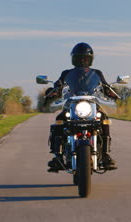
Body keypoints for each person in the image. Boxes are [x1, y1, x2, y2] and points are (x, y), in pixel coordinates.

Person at [45, 42, 118, 172]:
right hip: (72, 104)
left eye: (85, 58)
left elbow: (105, 86)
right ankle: (58, 156)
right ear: (74, 59)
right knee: (59, 120)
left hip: (92, 103)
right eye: (79, 57)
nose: (82, 60)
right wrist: (53, 91)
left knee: (104, 119)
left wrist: (111, 91)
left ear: (90, 59)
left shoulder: (97, 73)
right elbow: (58, 84)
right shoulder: (66, 73)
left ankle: (106, 155)